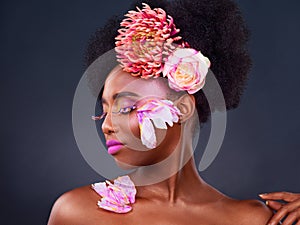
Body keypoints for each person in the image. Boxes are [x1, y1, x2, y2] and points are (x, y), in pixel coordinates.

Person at [48, 0, 300, 224]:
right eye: (104, 112)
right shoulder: (76, 212)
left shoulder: (249, 219)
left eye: (125, 107)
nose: (106, 126)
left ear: (182, 108)